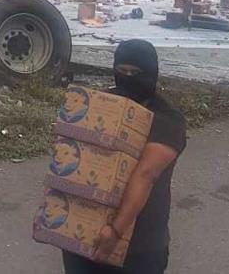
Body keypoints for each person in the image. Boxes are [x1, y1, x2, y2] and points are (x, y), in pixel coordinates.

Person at [62, 39, 186, 274]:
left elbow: (146, 173)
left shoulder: (167, 120)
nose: (128, 77)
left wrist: (116, 231)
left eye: (136, 72)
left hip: (139, 247)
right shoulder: (101, 104)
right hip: (83, 234)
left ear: (152, 74)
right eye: (122, 71)